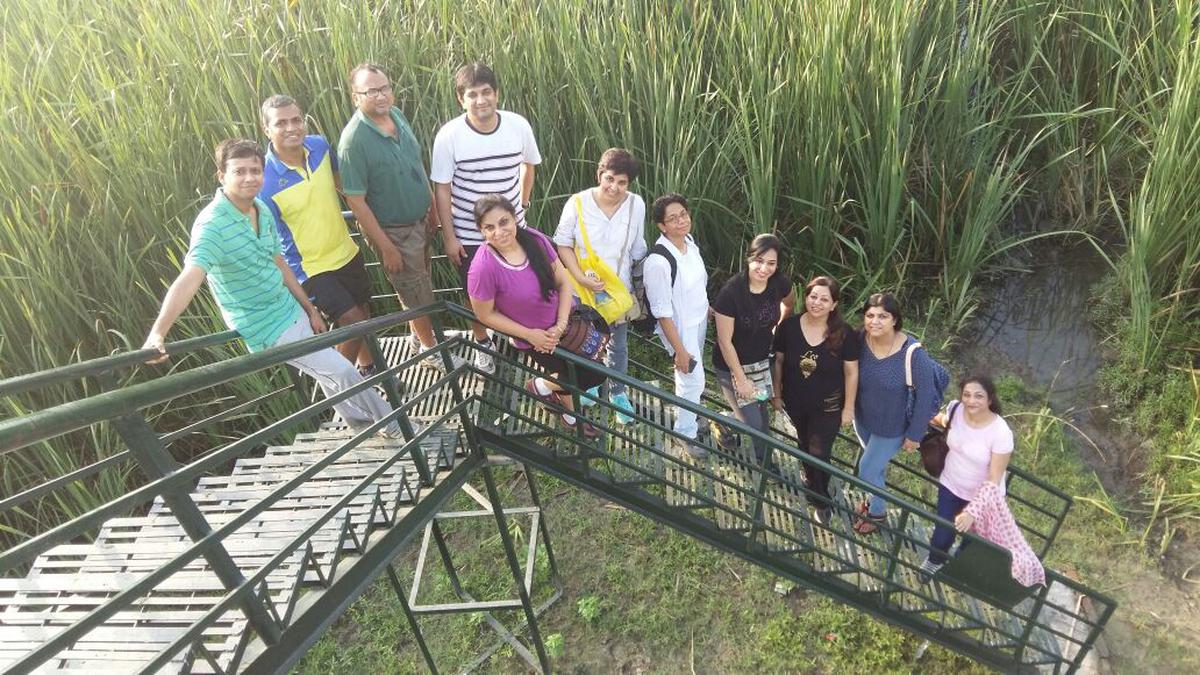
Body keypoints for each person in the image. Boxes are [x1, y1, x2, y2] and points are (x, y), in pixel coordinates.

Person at [142, 139, 400, 438]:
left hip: (288, 307)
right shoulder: (212, 226)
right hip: (264, 324)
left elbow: (279, 262)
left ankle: (360, 424)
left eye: (255, 170)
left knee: (329, 373)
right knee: (340, 370)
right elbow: (190, 277)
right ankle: (395, 425)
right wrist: (158, 332)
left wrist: (308, 307)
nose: (249, 178)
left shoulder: (260, 208)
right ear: (221, 176)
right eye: (239, 171)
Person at [337, 63, 463, 373]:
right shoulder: (353, 142)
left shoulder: (397, 117)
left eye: (385, 88)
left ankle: (418, 336)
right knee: (415, 291)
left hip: (419, 221)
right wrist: (386, 247)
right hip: (394, 231)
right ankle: (431, 350)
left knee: (418, 283)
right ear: (356, 97)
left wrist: (432, 205)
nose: (380, 95)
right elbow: (356, 200)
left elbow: (416, 161)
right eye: (371, 91)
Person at [432, 62, 542, 375]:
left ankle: (523, 337)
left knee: (521, 282)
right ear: (460, 99)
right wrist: (450, 237)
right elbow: (442, 190)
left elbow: (528, 166)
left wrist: (521, 203)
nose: (481, 100)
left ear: (497, 94)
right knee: (476, 292)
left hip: (513, 228)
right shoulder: (449, 136)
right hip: (470, 233)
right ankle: (482, 340)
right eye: (472, 94)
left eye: (486, 92)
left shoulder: (518, 126)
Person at [258, 94, 378, 377]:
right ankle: (338, 386)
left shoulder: (320, 146)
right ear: (267, 129)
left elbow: (344, 188)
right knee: (354, 320)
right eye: (281, 123)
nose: (291, 128)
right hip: (310, 268)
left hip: (345, 251)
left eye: (296, 120)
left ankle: (369, 368)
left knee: (363, 313)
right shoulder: (264, 182)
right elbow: (270, 246)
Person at [467, 195, 604, 438]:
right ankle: (570, 415)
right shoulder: (483, 268)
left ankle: (540, 387)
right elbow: (484, 314)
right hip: (534, 339)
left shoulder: (535, 241)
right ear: (481, 231)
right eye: (489, 227)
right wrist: (531, 336)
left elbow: (563, 282)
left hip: (565, 323)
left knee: (589, 373)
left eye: (504, 222)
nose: (499, 232)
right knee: (573, 376)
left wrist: (561, 324)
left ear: (514, 219)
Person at [553, 148, 647, 424]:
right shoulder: (578, 202)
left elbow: (638, 247)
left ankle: (618, 392)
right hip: (582, 289)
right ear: (599, 175)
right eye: (609, 179)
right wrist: (580, 277)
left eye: (622, 182)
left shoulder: (635, 204)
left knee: (617, 344)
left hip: (617, 289)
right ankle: (591, 386)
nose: (614, 187)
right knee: (585, 341)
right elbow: (563, 243)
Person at [771, 276, 859, 525]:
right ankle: (811, 481)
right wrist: (777, 395)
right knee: (803, 445)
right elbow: (778, 361)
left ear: (833, 305)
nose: (817, 303)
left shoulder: (843, 334)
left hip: (828, 406)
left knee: (819, 453)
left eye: (824, 299)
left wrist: (849, 408)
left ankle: (821, 500)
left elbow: (852, 372)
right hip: (795, 401)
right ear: (805, 297)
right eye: (813, 296)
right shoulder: (788, 327)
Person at [852, 292, 940, 534]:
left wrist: (914, 434)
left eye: (883, 316)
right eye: (870, 315)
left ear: (895, 319)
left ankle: (878, 513)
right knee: (875, 468)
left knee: (867, 468)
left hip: (892, 427)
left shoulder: (913, 353)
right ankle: (871, 500)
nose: (875, 321)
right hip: (863, 419)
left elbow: (925, 396)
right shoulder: (860, 339)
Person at [919, 375, 1014, 579]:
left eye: (979, 396)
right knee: (943, 531)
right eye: (967, 395)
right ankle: (935, 560)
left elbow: (994, 478)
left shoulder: (1000, 433)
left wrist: (972, 512)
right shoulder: (956, 410)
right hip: (951, 484)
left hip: (982, 497)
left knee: (972, 539)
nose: (971, 401)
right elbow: (941, 421)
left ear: (990, 400)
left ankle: (959, 568)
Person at [712, 234, 794, 466]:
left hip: (761, 362)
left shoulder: (779, 283)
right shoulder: (731, 294)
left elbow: (788, 303)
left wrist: (778, 328)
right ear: (749, 258)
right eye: (759, 261)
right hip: (732, 367)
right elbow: (725, 341)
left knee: (761, 410)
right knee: (752, 422)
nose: (764, 268)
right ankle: (724, 422)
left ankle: (763, 461)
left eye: (771, 263)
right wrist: (741, 379)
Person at [644, 194, 710, 458]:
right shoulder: (658, 262)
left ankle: (691, 416)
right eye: (673, 218)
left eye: (683, 213)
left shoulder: (689, 244)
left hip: (699, 320)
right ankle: (685, 433)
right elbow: (662, 312)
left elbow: (696, 284)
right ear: (662, 226)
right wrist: (679, 350)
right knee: (692, 380)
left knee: (690, 379)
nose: (681, 220)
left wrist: (708, 308)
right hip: (680, 327)